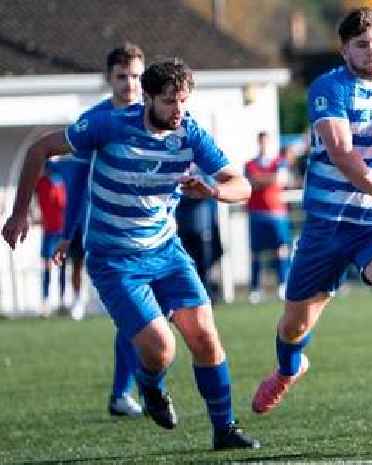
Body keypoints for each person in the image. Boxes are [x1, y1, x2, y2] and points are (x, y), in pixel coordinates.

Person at [2, 58, 260, 450]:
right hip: (114, 260)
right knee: (161, 348)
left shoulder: (190, 134)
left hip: (166, 252)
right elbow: (40, 149)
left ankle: (225, 429)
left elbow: (241, 185)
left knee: (206, 336)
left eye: (184, 101)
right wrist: (19, 213)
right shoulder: (109, 125)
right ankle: (149, 384)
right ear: (148, 98)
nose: (179, 110)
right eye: (170, 102)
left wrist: (213, 189)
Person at [251, 7, 372, 419]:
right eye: (361, 44)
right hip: (328, 225)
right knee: (294, 326)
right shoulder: (328, 87)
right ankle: (288, 369)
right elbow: (343, 155)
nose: (370, 51)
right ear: (345, 50)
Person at [52, 44, 147, 418]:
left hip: (154, 236)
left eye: (137, 76)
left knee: (160, 318)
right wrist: (65, 233)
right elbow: (76, 184)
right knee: (132, 316)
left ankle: (140, 386)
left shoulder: (155, 116)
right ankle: (125, 392)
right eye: (122, 76)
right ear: (108, 78)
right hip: (109, 237)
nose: (130, 84)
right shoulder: (94, 121)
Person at [244, 131, 292, 304]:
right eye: (261, 142)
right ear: (258, 143)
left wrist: (261, 180)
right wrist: (267, 179)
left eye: (266, 142)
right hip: (257, 213)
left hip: (276, 212)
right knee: (256, 252)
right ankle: (255, 288)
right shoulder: (249, 164)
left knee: (281, 249)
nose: (264, 145)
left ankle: (283, 284)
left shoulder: (279, 162)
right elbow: (251, 182)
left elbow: (280, 180)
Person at [175, 165, 224, 300]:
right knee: (186, 264)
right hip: (182, 226)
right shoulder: (175, 170)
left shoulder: (203, 171)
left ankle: (206, 294)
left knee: (204, 262)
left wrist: (197, 190)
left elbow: (210, 190)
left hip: (202, 225)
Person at [35, 159, 67, 316]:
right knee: (47, 265)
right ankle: (45, 301)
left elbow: (63, 205)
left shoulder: (59, 183)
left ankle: (61, 300)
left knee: (60, 265)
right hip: (49, 231)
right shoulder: (40, 183)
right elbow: (33, 200)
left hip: (59, 231)